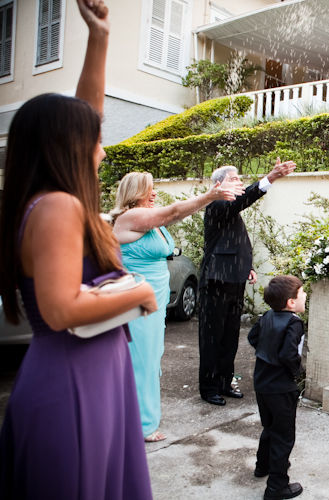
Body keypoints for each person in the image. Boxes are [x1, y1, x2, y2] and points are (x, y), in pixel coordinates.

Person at [0, 1, 158, 498]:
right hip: (69, 383)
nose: (103, 148)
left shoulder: (64, 200)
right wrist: (138, 294)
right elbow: (62, 307)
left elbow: (87, 112)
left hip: (95, 370)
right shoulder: (56, 208)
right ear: (67, 146)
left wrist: (101, 38)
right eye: (94, 139)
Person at [110, 172, 243, 442]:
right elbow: (173, 212)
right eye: (150, 189)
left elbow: (174, 215)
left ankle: (133, 415)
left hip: (157, 296)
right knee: (142, 359)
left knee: (151, 355)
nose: (155, 193)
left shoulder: (150, 218)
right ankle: (142, 425)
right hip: (137, 297)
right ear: (135, 192)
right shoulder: (130, 217)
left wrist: (210, 198)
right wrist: (210, 196)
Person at [199, 160, 296, 406]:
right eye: (234, 179)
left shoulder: (230, 208)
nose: (240, 182)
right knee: (213, 337)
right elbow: (244, 199)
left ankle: (224, 382)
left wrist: (247, 267)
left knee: (230, 336)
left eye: (240, 179)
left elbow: (233, 243)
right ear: (219, 185)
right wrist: (270, 177)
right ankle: (209, 388)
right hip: (216, 282)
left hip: (235, 279)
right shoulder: (217, 203)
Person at [247, 275, 306, 500]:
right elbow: (289, 354)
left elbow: (253, 338)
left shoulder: (267, 316)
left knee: (270, 428)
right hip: (281, 388)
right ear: (291, 302)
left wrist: (267, 352)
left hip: (262, 383)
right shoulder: (294, 323)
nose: (305, 296)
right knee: (283, 436)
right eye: (302, 293)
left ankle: (262, 466)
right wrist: (296, 371)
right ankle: (276, 486)